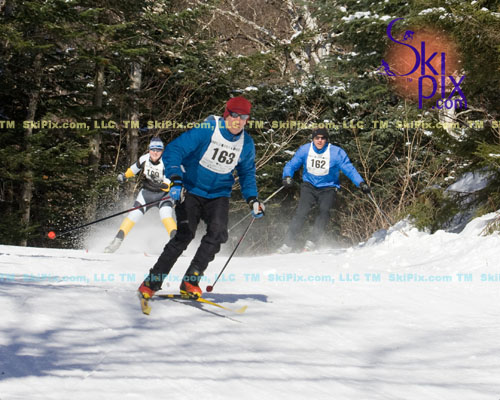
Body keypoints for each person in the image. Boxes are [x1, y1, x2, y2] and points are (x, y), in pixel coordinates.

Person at [137, 96, 265, 300]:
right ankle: (152, 282)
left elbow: (247, 173)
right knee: (185, 235)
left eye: (243, 117)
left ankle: (191, 280)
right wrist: (175, 179)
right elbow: (175, 150)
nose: (238, 121)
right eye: (234, 115)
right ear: (226, 115)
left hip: (219, 194)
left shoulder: (246, 143)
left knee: (218, 234)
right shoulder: (207, 130)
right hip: (191, 189)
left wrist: (252, 199)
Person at [277, 127, 370, 253]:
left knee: (324, 211)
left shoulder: (336, 152)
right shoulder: (305, 150)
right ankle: (287, 245)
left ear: (326, 139)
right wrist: (287, 176)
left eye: (323, 138)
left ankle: (311, 242)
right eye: (317, 138)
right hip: (309, 185)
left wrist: (361, 183)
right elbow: (292, 164)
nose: (320, 141)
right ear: (313, 139)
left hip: (328, 187)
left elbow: (349, 169)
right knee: (301, 213)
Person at [104, 137, 176, 253]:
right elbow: (133, 169)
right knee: (132, 216)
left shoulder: (167, 161)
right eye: (153, 149)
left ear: (162, 151)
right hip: (146, 194)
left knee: (165, 215)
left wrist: (167, 184)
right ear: (149, 150)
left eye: (158, 150)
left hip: (163, 196)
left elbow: (171, 177)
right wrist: (125, 176)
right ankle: (116, 242)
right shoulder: (144, 159)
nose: (155, 152)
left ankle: (175, 244)